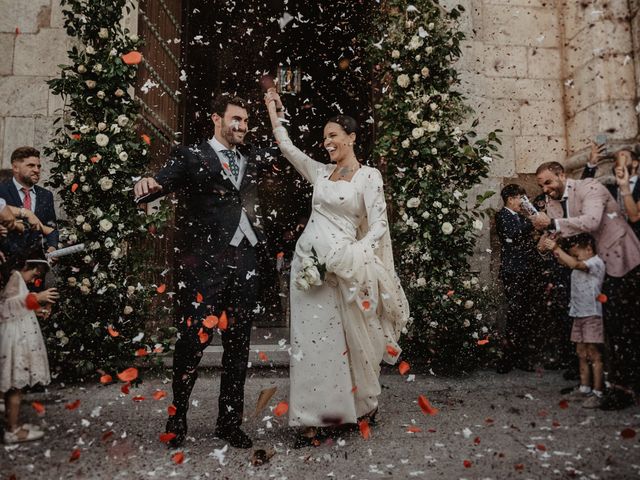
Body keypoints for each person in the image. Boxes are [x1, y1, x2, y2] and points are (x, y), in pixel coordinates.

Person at [264, 89, 409, 447]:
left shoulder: (368, 177)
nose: (326, 142)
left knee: (346, 342)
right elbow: (288, 148)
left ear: (351, 138)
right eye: (325, 136)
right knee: (310, 345)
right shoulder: (321, 173)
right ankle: (312, 418)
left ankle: (356, 405)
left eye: (333, 135)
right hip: (307, 267)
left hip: (345, 268)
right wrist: (273, 112)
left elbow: (378, 225)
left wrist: (353, 254)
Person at [133, 94, 278, 449]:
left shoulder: (251, 157)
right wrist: (146, 184)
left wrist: (276, 111)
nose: (242, 126)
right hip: (204, 268)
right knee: (190, 346)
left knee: (238, 346)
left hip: (245, 263)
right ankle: (177, 418)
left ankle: (228, 423)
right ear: (217, 119)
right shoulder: (191, 155)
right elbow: (161, 181)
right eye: (236, 119)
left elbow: (283, 148)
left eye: (245, 120)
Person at [532, 161, 640, 409]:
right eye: (541, 186)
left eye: (548, 182)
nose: (545, 189)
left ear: (561, 175)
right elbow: (558, 234)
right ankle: (595, 386)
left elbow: (590, 222)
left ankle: (622, 389)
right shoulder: (552, 203)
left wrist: (550, 225)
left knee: (621, 328)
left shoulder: (589, 186)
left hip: (623, 261)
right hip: (595, 268)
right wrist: (544, 245)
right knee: (603, 328)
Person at [0, 255, 58, 443]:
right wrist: (36, 298)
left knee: (14, 386)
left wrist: (34, 309)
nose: (34, 279)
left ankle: (12, 424)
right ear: (26, 265)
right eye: (34, 274)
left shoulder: (16, 278)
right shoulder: (15, 277)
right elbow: (5, 308)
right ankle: (13, 430)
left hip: (17, 334)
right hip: (13, 338)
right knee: (14, 385)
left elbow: (16, 304)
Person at [544, 233, 606, 408]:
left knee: (594, 353)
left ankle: (598, 391)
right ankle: (584, 388)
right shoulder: (579, 260)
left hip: (592, 314)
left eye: (576, 254)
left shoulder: (595, 263)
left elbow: (575, 264)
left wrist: (556, 248)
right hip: (578, 313)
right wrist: (554, 247)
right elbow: (565, 262)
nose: (573, 258)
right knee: (581, 352)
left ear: (588, 249)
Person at [494, 184, 538, 373]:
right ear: (511, 199)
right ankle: (508, 358)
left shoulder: (520, 217)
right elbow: (514, 235)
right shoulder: (502, 216)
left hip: (525, 270)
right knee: (514, 314)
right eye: (521, 197)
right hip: (513, 272)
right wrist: (534, 221)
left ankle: (520, 356)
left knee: (524, 316)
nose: (523, 201)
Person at [0, 147, 58, 258]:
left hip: (36, 266)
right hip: (5, 264)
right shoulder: (2, 189)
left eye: (38, 166)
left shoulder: (46, 195)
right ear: (15, 167)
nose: (37, 170)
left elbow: (51, 227)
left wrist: (52, 247)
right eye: (31, 165)